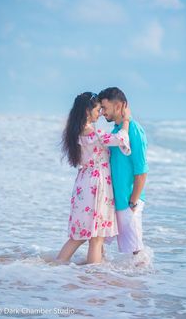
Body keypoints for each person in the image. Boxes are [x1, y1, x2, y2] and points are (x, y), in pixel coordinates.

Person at [56, 92, 131, 264]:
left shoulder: (75, 132)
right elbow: (121, 139)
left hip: (84, 182)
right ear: (87, 111)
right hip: (97, 185)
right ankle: (93, 280)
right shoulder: (94, 133)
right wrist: (126, 121)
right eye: (98, 109)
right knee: (96, 238)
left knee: (79, 235)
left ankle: (56, 266)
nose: (100, 113)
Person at [98, 87, 149, 256]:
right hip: (116, 200)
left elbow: (141, 171)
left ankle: (143, 282)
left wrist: (133, 202)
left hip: (129, 201)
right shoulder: (117, 131)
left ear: (119, 106)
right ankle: (97, 278)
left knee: (136, 253)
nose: (102, 112)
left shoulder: (134, 130)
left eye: (104, 108)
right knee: (99, 242)